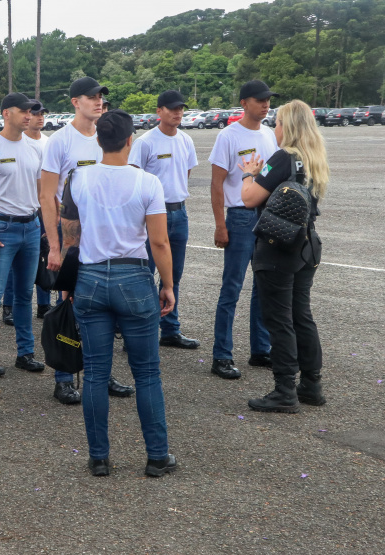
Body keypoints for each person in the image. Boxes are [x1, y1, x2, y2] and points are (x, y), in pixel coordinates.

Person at [63, 109, 176, 477]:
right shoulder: (147, 183)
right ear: (131, 140)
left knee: (95, 373)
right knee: (147, 374)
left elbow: (71, 235)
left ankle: (99, 457)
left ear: (98, 141)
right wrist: (168, 285)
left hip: (91, 279)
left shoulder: (78, 178)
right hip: (133, 278)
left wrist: (69, 283)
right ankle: (157, 456)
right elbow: (158, 241)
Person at [42, 77, 134, 399]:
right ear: (74, 102)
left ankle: (100, 373)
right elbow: (46, 195)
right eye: (91, 97)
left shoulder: (107, 137)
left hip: (105, 239)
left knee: (103, 311)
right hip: (72, 240)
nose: (98, 102)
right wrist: (55, 246)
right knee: (68, 304)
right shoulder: (60, 142)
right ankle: (64, 377)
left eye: (101, 98)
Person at [238, 100, 327, 412]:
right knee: (301, 314)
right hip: (308, 243)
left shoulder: (283, 157)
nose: (274, 129)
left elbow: (249, 199)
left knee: (278, 318)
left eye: (277, 124)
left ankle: (284, 390)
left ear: (287, 128)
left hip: (279, 246)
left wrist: (249, 174)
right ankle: (311, 384)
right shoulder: (314, 157)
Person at [0, 93, 52, 390]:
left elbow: (44, 194)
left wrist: (47, 229)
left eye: (31, 111)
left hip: (30, 227)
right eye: (24, 111)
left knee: (23, 295)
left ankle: (25, 353)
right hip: (1, 229)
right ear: (6, 113)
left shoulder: (35, 148)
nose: (29, 115)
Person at [208, 80, 278, 379]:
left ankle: (260, 350)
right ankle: (221, 355)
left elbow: (273, 173)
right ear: (244, 103)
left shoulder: (269, 134)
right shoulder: (228, 135)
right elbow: (216, 183)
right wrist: (220, 224)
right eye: (260, 100)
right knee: (232, 288)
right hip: (239, 217)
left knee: (263, 286)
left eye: (268, 100)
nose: (266, 105)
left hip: (266, 215)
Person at [128, 90, 200, 349]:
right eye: (172, 108)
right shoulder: (146, 142)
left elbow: (185, 174)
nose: (178, 112)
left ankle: (170, 330)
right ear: (159, 111)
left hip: (179, 213)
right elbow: (134, 180)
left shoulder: (186, 141)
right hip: (150, 215)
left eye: (180, 108)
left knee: (173, 275)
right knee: (144, 274)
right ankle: (137, 331)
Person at [3, 104, 52, 322]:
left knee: (46, 257)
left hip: (41, 207)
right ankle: (9, 306)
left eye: (42, 114)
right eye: (34, 113)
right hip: (19, 209)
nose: (39, 117)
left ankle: (44, 304)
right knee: (16, 263)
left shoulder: (48, 142)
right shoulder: (20, 143)